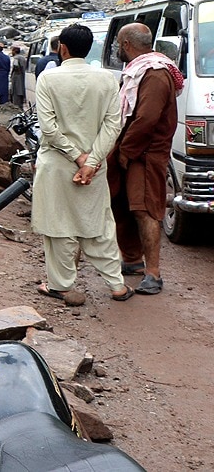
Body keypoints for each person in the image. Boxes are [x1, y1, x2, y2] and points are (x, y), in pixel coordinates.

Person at [31, 24, 133, 306]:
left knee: (59, 226)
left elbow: (48, 128)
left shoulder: (49, 79)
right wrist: (93, 161)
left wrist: (77, 157)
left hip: (58, 163)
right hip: (94, 166)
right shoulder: (107, 79)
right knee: (98, 223)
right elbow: (114, 124)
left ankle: (61, 286)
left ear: (62, 47)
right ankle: (117, 285)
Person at [107, 22, 182, 295]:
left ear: (126, 44)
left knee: (145, 209)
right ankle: (132, 261)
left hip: (145, 154)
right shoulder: (141, 71)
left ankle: (153, 273)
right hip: (133, 151)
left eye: (118, 43)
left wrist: (126, 151)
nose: (117, 49)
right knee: (124, 206)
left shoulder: (155, 73)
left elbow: (146, 119)